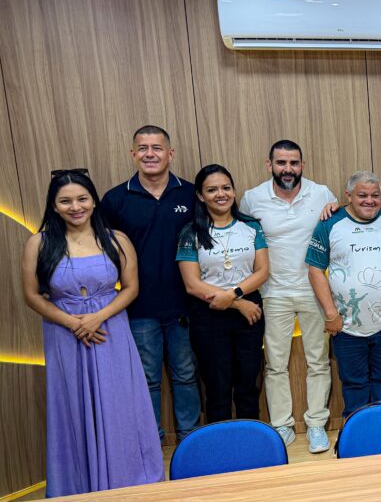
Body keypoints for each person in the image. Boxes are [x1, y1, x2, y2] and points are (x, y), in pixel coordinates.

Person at [22, 169, 164, 497]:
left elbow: (131, 288)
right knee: (72, 407)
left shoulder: (116, 240)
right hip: (64, 334)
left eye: (82, 199)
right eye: (65, 201)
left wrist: (97, 318)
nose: (75, 207)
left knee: (120, 402)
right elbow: (31, 295)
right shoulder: (38, 243)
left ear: (94, 201)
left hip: (110, 329)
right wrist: (74, 323)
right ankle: (78, 486)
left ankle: (128, 478)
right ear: (53, 205)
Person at [100, 125, 200, 442]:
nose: (150, 154)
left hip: (186, 305)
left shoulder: (190, 193)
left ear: (170, 153)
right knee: (147, 380)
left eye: (157, 147)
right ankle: (150, 443)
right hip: (139, 307)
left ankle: (190, 441)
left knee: (187, 376)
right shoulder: (115, 199)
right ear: (133, 154)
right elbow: (102, 252)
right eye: (143, 148)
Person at [240, 140, 337, 453]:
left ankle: (317, 424)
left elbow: (337, 227)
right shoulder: (252, 199)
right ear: (269, 165)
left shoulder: (322, 194)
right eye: (281, 163)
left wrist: (334, 208)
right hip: (272, 293)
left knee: (318, 362)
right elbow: (243, 241)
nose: (288, 169)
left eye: (294, 163)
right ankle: (282, 425)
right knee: (275, 365)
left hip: (315, 291)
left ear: (302, 165)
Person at [307, 172, 381, 420]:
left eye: (375, 195)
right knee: (354, 385)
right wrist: (331, 314)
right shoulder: (330, 223)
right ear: (348, 196)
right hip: (346, 327)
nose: (370, 200)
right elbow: (315, 270)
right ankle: (355, 435)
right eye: (362, 195)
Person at [176, 164, 269, 423]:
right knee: (217, 389)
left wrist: (235, 294)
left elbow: (262, 271)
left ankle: (251, 440)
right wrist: (237, 303)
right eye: (212, 190)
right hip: (209, 315)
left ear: (234, 191)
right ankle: (220, 444)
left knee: (248, 386)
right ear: (200, 195)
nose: (221, 194)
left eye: (226, 188)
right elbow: (192, 284)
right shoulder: (190, 232)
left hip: (250, 314)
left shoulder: (251, 226)